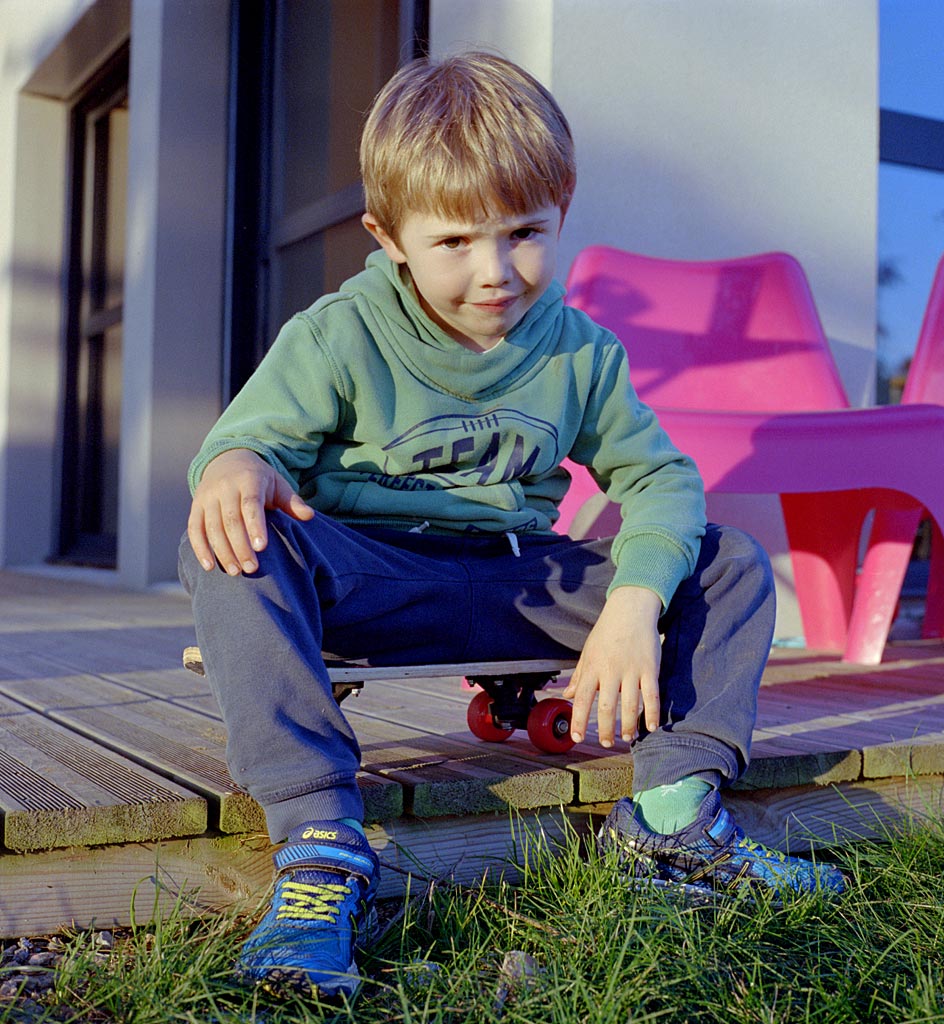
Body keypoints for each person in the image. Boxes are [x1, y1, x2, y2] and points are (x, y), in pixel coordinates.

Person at [179, 50, 845, 1001]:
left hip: (519, 581)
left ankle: (671, 825)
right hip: (377, 579)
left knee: (728, 562)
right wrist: (238, 468)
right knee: (229, 538)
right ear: (390, 235)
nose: (495, 273)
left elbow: (658, 477)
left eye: (525, 233)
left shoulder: (581, 353)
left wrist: (634, 602)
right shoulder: (337, 334)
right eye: (455, 242)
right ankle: (320, 847)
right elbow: (244, 446)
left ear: (560, 215)